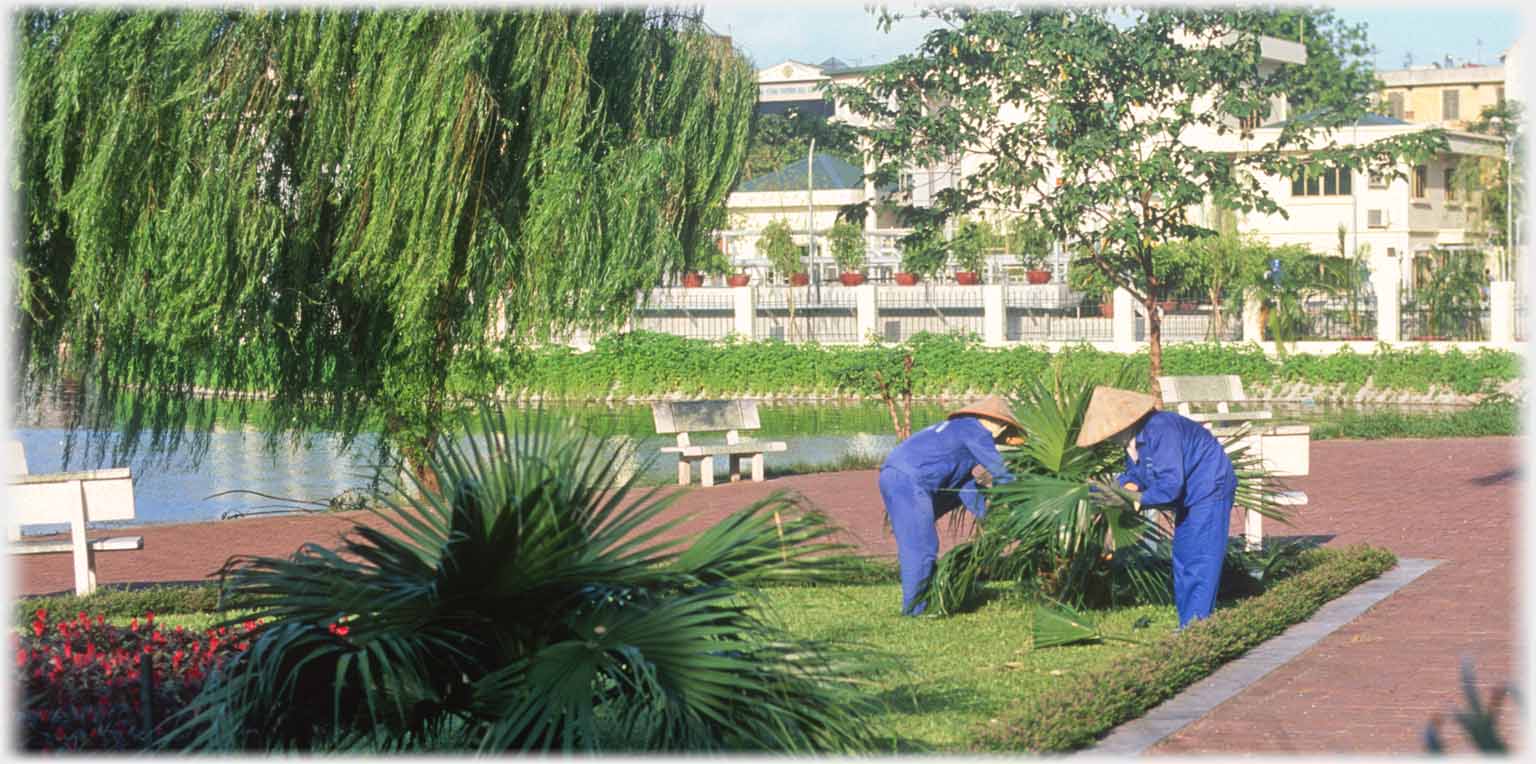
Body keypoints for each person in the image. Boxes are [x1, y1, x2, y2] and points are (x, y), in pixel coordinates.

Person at [1075, 386, 1237, 629]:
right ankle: (1189, 624)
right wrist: (1123, 487)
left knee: (1200, 558)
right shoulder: (1132, 441)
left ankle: (1197, 628)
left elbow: (1170, 485)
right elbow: (1135, 474)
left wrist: (1134, 500)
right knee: (1183, 558)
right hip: (1189, 493)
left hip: (1209, 487)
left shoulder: (1161, 429)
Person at [878, 395, 1023, 615]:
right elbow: (1002, 473)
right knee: (920, 547)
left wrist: (988, 515)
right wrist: (1023, 505)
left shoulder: (959, 429)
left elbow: (962, 484)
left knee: (919, 544)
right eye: (1003, 428)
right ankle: (915, 610)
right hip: (909, 480)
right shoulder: (976, 431)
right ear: (998, 423)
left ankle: (929, 597)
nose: (1001, 434)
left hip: (899, 475)